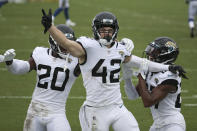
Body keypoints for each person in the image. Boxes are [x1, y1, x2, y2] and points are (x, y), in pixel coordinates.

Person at [41, 9, 187, 131]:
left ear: (115, 31)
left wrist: (168, 67)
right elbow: (66, 43)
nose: (107, 34)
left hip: (117, 107)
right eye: (103, 30)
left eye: (110, 30)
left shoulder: (120, 49)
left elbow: (141, 62)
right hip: (95, 109)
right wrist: (51, 28)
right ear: (96, 30)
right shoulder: (87, 47)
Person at [0, 24, 80, 131]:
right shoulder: (40, 53)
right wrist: (10, 62)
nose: (67, 47)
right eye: (63, 43)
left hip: (57, 112)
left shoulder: (77, 60)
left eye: (69, 42)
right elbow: (21, 68)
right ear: (54, 42)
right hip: (34, 111)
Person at [123, 37, 186, 131]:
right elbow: (133, 95)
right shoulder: (152, 70)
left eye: (155, 52)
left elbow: (148, 102)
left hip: (173, 124)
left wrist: (141, 76)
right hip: (157, 124)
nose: (150, 54)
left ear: (166, 55)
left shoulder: (171, 76)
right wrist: (127, 78)